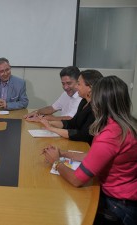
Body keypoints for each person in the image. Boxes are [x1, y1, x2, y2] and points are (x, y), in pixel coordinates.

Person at [42, 76, 137, 225]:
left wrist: (57, 161)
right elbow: (96, 156)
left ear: (99, 101)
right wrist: (64, 153)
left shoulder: (110, 135)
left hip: (116, 205)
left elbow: (76, 180)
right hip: (128, 198)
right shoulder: (128, 124)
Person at [26, 70, 103, 145]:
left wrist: (52, 128)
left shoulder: (96, 108)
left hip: (87, 147)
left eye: (78, 84)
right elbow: (71, 123)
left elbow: (83, 135)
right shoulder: (84, 102)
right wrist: (45, 122)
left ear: (90, 87)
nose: (76, 86)